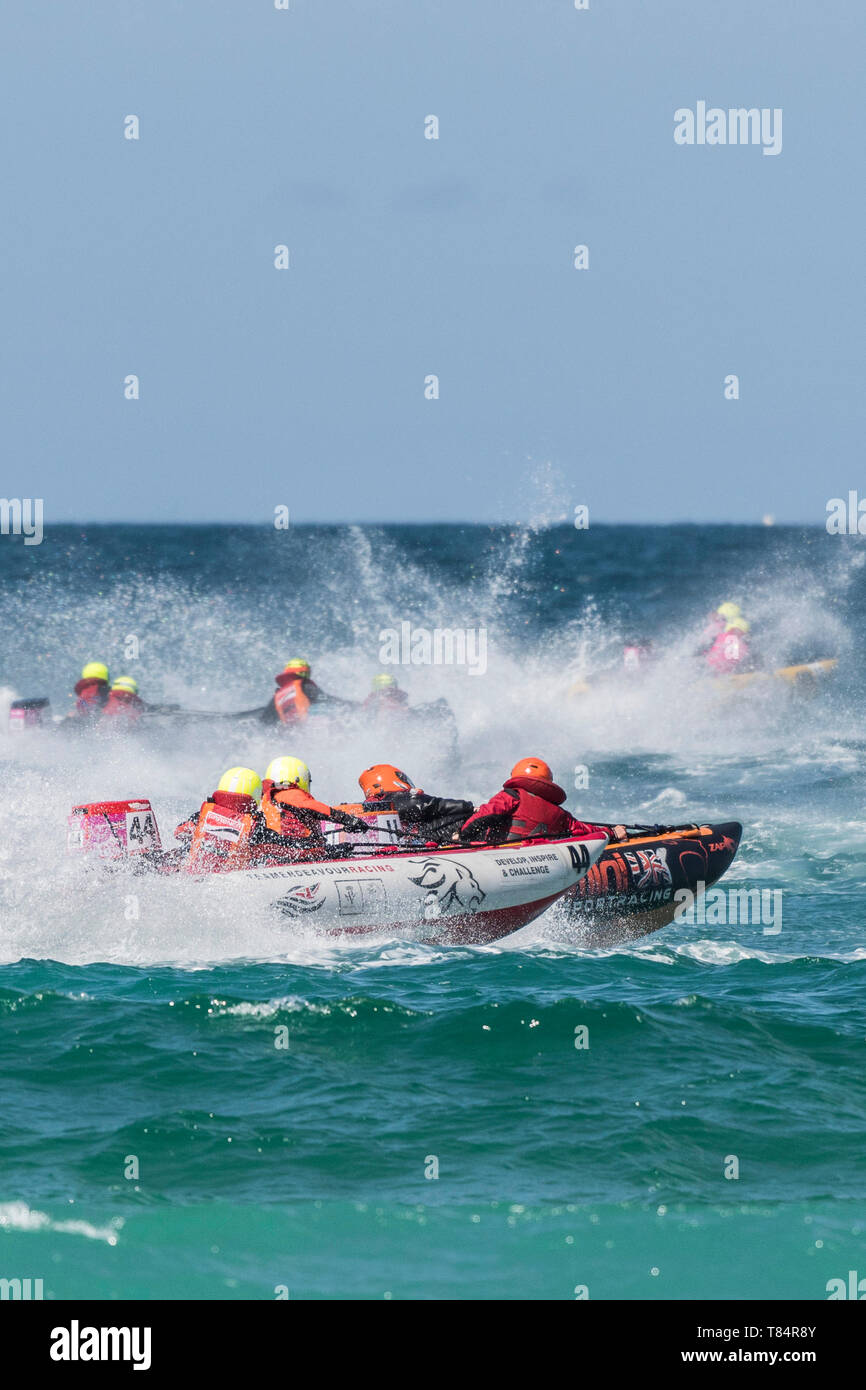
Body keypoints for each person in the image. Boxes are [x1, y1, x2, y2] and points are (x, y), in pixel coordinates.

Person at [458, 758, 627, 845]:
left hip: (501, 858)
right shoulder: (560, 814)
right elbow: (584, 830)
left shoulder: (512, 795)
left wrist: (462, 835)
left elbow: (486, 814)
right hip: (541, 864)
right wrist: (612, 832)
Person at [340, 763, 474, 844]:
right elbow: (426, 805)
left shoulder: (369, 804)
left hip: (405, 842)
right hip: (417, 840)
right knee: (469, 817)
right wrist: (470, 807)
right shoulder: (396, 797)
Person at [260, 756, 370, 849]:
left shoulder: (269, 799)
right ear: (299, 778)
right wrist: (347, 819)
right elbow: (309, 806)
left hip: (289, 853)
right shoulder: (289, 793)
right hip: (296, 854)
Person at [173, 766, 264, 866]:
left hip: (192, 873)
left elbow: (179, 832)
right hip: (229, 878)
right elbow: (275, 848)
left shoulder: (204, 814)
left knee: (185, 849)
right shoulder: (253, 825)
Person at [261, 658, 347, 725]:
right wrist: (355, 705)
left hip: (286, 738)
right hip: (302, 731)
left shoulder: (277, 696)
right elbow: (328, 699)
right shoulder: (304, 686)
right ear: (305, 673)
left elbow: (265, 720)